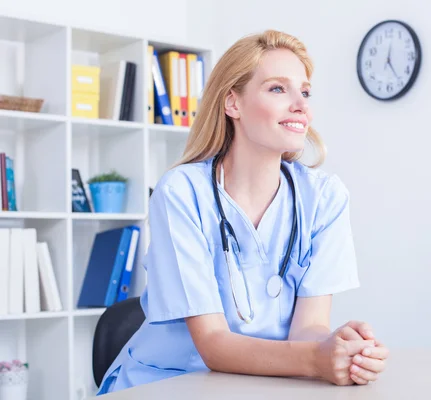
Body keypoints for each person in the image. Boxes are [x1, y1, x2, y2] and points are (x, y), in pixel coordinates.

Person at [96, 29, 389, 395]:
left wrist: (341, 351)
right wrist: (315, 360)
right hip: (166, 382)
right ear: (232, 103)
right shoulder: (182, 193)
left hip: (263, 382)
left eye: (306, 91)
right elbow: (213, 344)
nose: (301, 105)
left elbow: (308, 329)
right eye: (278, 89)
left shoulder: (325, 197)